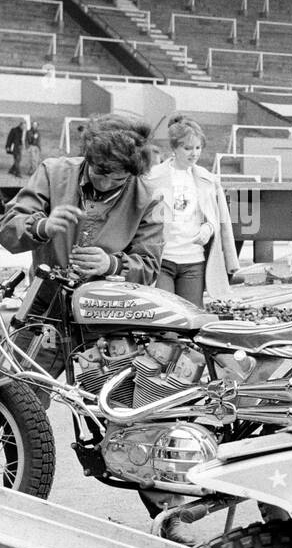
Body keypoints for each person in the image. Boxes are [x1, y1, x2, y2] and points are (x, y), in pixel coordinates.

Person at [0, 114, 163, 372]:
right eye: (100, 171)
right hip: (45, 309)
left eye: (118, 179)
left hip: (108, 314)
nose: (106, 182)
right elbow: (9, 225)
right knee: (19, 394)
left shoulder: (147, 199)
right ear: (89, 155)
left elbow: (149, 265)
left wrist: (111, 265)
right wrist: (42, 227)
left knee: (110, 403)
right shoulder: (53, 172)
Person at [145, 115, 239, 306]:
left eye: (197, 148)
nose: (194, 153)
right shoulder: (153, 178)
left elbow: (220, 220)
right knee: (166, 319)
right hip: (163, 260)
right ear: (174, 148)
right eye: (187, 148)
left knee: (191, 319)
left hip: (193, 260)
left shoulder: (208, 179)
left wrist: (209, 228)